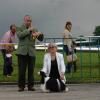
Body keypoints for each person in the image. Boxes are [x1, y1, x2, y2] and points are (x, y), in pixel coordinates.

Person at [16, 15, 44, 92]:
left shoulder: (34, 29)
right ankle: (21, 86)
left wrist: (39, 34)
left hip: (31, 52)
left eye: (30, 21)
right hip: (22, 52)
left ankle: (30, 86)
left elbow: (41, 39)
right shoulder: (19, 28)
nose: (29, 22)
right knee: (22, 70)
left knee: (31, 70)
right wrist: (29, 30)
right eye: (27, 20)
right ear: (24, 20)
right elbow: (20, 35)